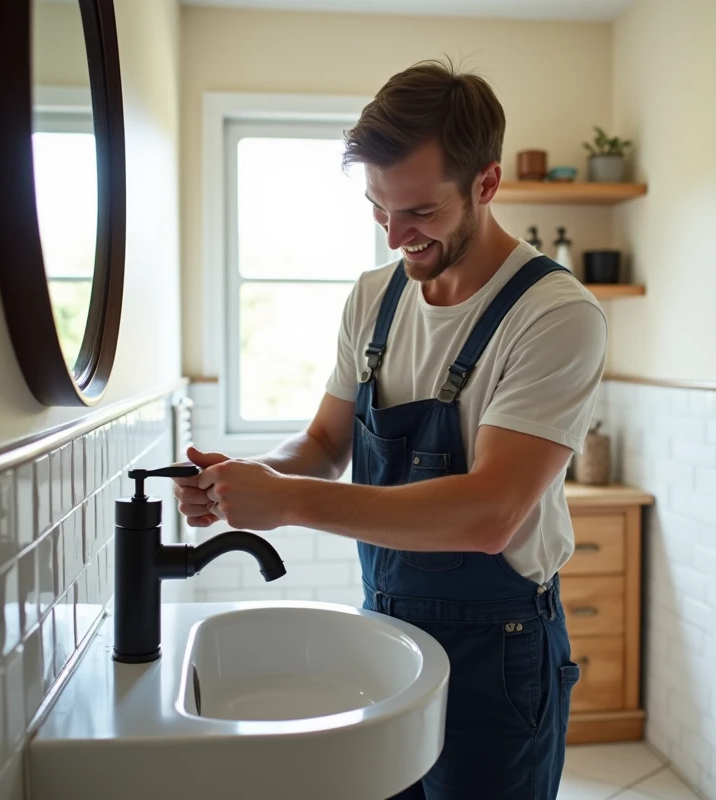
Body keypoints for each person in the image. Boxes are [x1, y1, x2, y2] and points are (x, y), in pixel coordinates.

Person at [173, 58, 607, 799]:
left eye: (420, 212)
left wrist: (289, 502)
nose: (395, 236)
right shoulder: (374, 298)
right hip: (385, 630)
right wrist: (253, 476)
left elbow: (490, 514)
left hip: (498, 653)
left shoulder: (555, 315)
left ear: (487, 184)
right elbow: (322, 445)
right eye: (378, 209)